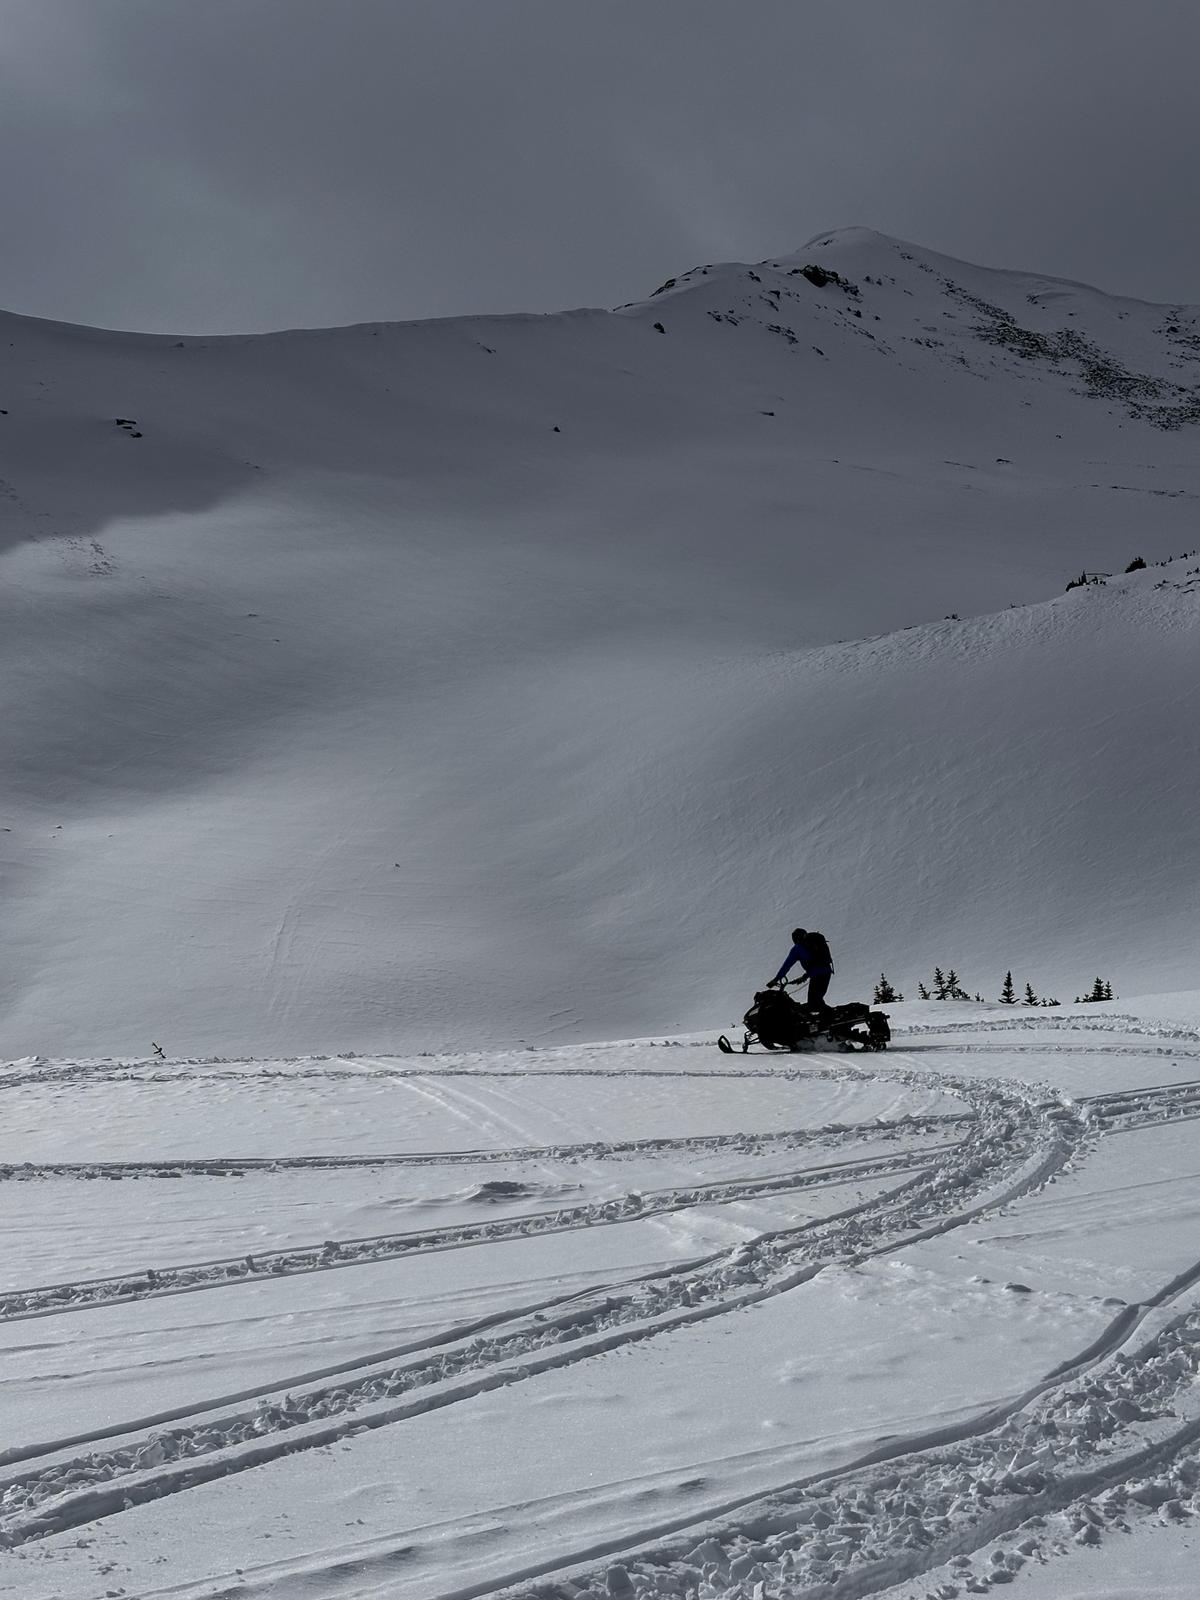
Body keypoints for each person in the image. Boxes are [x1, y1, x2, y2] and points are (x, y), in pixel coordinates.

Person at [771, 927, 834, 1014]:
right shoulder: (813, 943)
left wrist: (776, 979)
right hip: (826, 972)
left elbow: (787, 965)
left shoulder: (797, 948)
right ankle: (831, 1019)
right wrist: (805, 976)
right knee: (817, 1000)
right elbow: (816, 964)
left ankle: (832, 1020)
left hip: (817, 975)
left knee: (814, 1003)